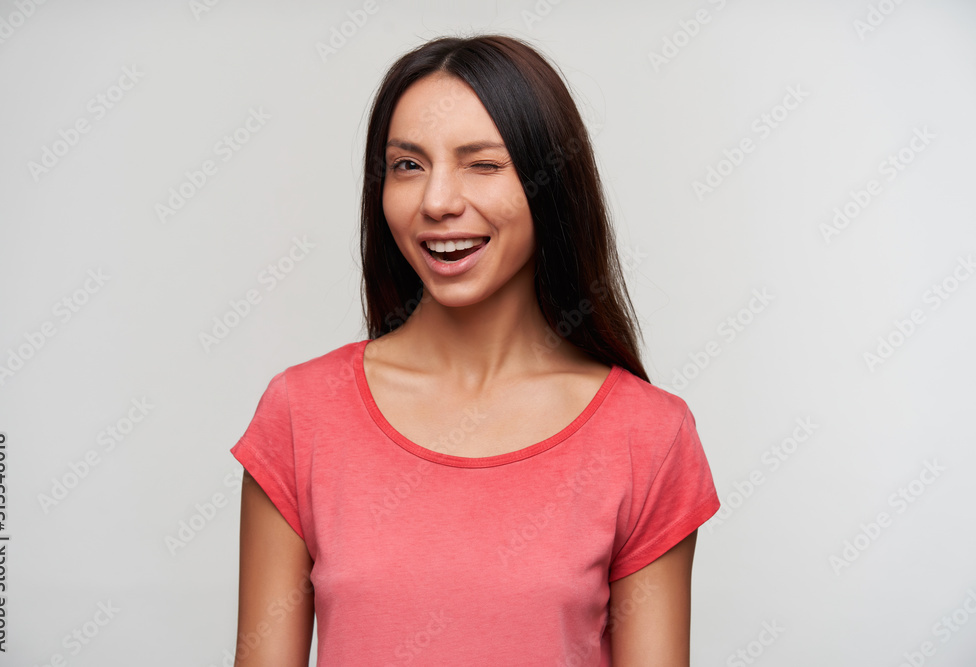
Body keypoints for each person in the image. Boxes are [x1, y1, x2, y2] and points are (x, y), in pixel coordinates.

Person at [231, 33, 720, 666]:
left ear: (550, 184)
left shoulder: (648, 437)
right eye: (408, 166)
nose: (437, 202)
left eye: (482, 165)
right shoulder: (301, 414)